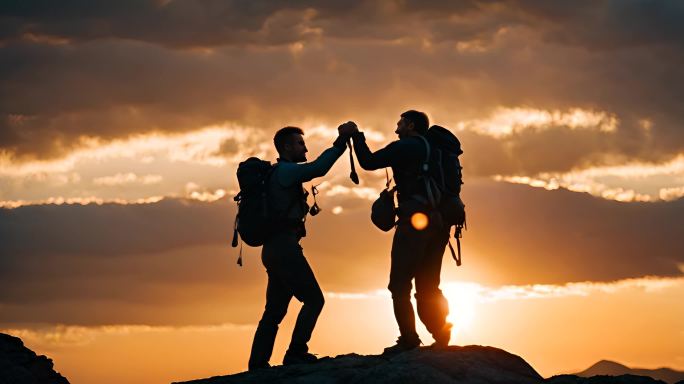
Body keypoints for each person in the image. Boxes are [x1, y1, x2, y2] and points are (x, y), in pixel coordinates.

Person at [342, 111, 452, 354]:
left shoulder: (407, 146)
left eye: (400, 123)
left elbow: (368, 162)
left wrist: (356, 135)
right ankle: (441, 333)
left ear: (411, 125)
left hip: (413, 224)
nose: (396, 128)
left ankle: (409, 339)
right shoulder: (433, 149)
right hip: (439, 223)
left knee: (399, 285)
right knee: (428, 285)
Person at [248, 124, 356, 370]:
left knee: (274, 312)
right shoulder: (286, 171)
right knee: (314, 300)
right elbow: (318, 168)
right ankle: (296, 352)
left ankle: (257, 364)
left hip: (274, 249)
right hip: (284, 248)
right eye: (300, 143)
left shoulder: (277, 173)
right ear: (286, 147)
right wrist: (340, 142)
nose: (305, 148)